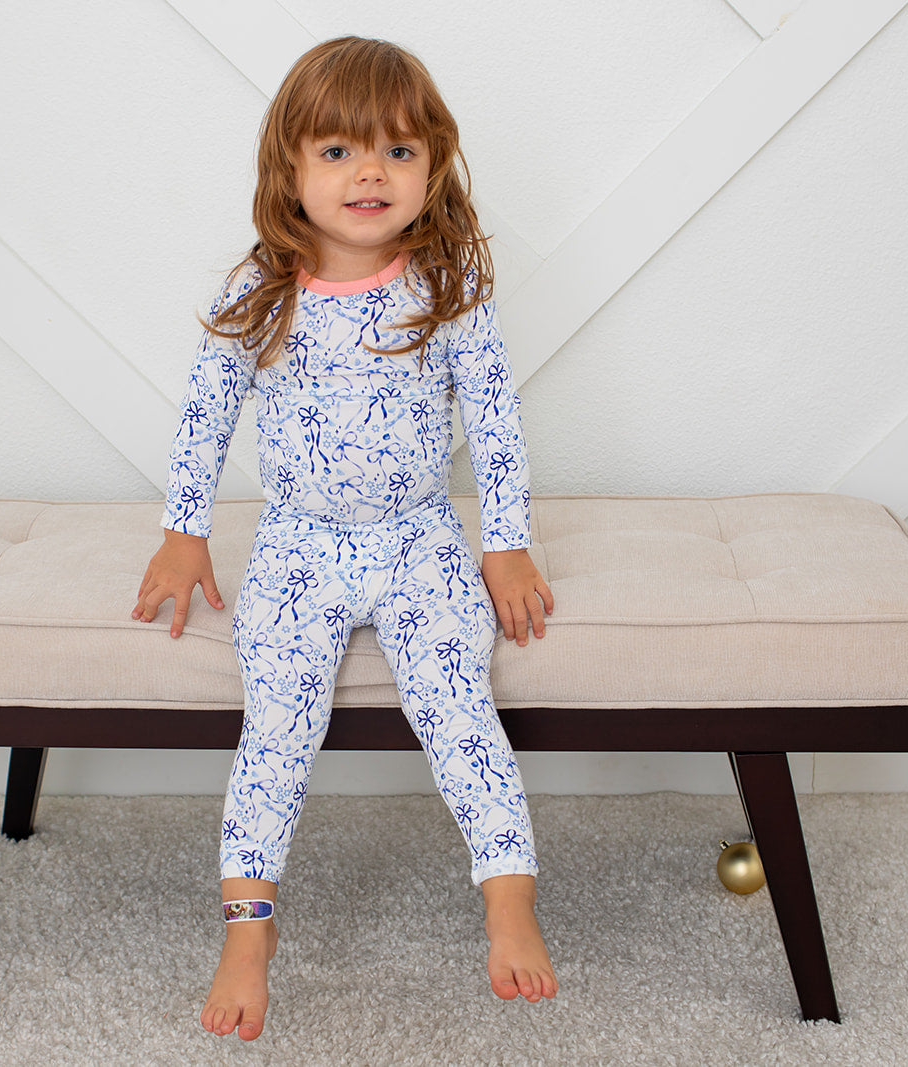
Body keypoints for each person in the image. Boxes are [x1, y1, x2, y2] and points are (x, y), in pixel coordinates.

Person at [132, 35, 558, 1042]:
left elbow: (495, 420)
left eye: (398, 152)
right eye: (336, 151)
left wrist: (504, 542)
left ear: (432, 167)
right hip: (295, 544)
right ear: (289, 166)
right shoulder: (259, 290)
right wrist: (182, 531)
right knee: (275, 728)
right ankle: (248, 925)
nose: (369, 171)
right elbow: (205, 412)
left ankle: (508, 894)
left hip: (419, 540)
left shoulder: (448, 287)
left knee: (460, 705)